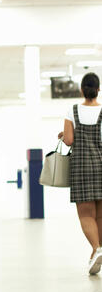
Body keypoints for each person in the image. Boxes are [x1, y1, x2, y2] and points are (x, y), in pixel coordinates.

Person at [59, 72, 102, 275]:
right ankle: (97, 251)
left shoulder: (72, 110)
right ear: (98, 89)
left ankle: (96, 249)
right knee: (100, 214)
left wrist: (66, 133)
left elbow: (68, 140)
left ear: (81, 90)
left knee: (86, 214)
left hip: (82, 167)